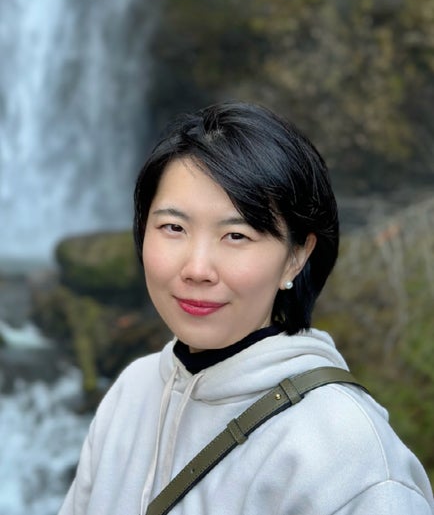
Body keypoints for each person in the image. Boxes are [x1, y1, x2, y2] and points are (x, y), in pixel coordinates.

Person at [59, 102, 434, 515]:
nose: (197, 269)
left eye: (236, 235)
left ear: (296, 256)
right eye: (173, 228)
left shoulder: (349, 458)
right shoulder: (133, 390)